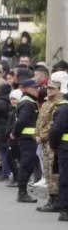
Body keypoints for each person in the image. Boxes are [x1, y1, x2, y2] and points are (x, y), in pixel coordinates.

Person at [35, 78, 63, 212]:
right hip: (42, 141)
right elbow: (39, 121)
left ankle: (56, 199)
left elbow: (53, 124)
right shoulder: (46, 103)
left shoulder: (58, 104)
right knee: (46, 170)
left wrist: (43, 136)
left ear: (59, 89)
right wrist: (36, 134)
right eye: (48, 88)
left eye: (52, 88)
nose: (50, 90)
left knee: (53, 172)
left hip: (50, 142)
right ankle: (51, 198)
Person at [12, 78, 41, 203]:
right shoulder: (27, 102)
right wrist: (15, 133)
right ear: (24, 89)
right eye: (33, 88)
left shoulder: (29, 101)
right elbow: (22, 121)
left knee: (28, 164)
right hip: (27, 139)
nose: (37, 90)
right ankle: (22, 193)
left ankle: (23, 192)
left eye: (37, 87)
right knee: (26, 165)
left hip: (29, 138)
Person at [48, 85, 68, 220]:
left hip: (64, 147)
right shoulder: (64, 109)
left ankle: (64, 208)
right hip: (65, 148)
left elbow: (55, 131)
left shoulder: (63, 109)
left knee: (65, 177)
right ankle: (64, 209)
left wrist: (54, 145)